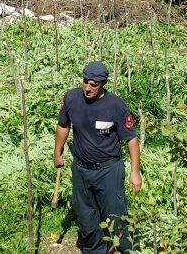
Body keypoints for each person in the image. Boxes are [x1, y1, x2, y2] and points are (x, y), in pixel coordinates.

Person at [54, 61, 142, 254]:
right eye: (86, 82)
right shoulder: (71, 98)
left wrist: (135, 171)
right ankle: (95, 250)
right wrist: (57, 152)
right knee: (86, 215)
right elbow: (63, 125)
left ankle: (126, 250)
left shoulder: (116, 106)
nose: (88, 88)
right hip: (81, 169)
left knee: (116, 216)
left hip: (109, 170)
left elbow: (131, 139)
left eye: (94, 84)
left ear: (103, 84)